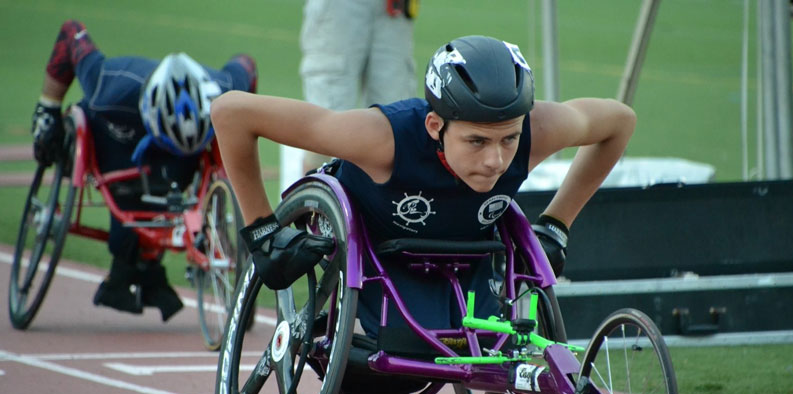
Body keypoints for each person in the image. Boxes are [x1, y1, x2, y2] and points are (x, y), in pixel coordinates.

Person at [211, 34, 635, 337]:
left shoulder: (537, 130)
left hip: (464, 253)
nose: (496, 160)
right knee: (400, 347)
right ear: (436, 126)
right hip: (376, 247)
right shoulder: (381, 139)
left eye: (509, 138)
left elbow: (619, 122)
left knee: (491, 343)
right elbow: (231, 113)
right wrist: (263, 233)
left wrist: (557, 224)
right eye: (476, 141)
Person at [31, 20, 258, 321]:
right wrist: (47, 108)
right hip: (117, 147)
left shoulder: (226, 87)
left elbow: (247, 65)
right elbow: (71, 32)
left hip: (182, 164)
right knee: (62, 136)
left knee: (221, 134)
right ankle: (130, 255)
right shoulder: (108, 85)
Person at [299, 0, 418, 173]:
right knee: (326, 120)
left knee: (396, 122)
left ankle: (381, 199)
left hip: (393, 9)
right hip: (341, 7)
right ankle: (313, 198)